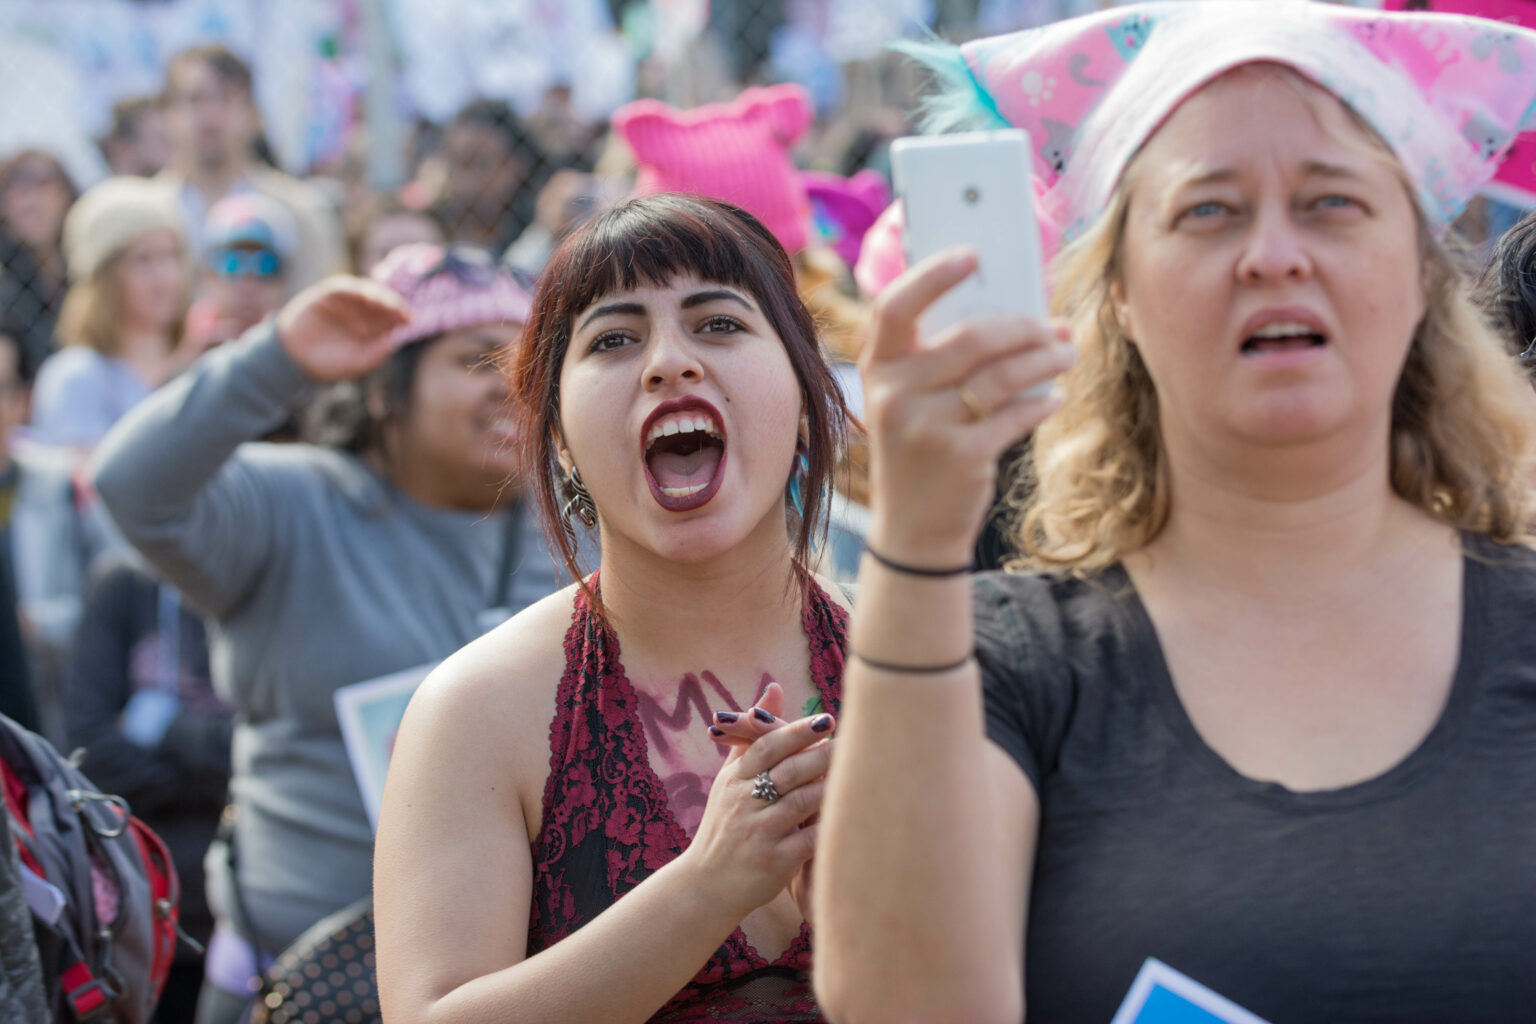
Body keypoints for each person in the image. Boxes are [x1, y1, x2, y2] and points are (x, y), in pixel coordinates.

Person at [813, 4, 1536, 1023]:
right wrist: (918, 541)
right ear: (1115, 296)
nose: (1274, 254)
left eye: (1331, 202)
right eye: (1210, 211)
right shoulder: (1002, 660)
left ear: (1421, 272)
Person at [374, 194, 852, 1023]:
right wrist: (708, 884)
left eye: (720, 324)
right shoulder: (478, 710)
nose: (670, 362)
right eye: (614, 340)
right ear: (556, 432)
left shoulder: (925, 671)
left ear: (806, 392)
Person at [87, 241, 562, 1024]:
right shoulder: (293, 506)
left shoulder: (574, 533)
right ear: (387, 390)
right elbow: (131, 487)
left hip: (507, 984)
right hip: (304, 980)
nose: (507, 387)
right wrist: (278, 359)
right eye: (475, 359)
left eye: (524, 364)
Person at [62, 556, 230, 1024]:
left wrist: (163, 725)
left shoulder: (264, 582)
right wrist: (221, 769)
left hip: (244, 909)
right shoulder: (124, 585)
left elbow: (277, 747)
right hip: (142, 903)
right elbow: (90, 754)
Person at [157, 45, 343, 292]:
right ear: (166, 114)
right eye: (195, 99)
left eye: (225, 98)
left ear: (254, 114)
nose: (210, 114)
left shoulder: (301, 211)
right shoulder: (143, 213)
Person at [30, 176, 190, 452]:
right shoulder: (77, 377)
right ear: (105, 277)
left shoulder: (201, 361)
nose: (165, 277)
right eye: (144, 260)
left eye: (171, 256)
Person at [183, 193, 296, 352]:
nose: (248, 283)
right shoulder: (178, 336)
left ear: (283, 280)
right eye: (232, 263)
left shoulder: (297, 346)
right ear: (209, 275)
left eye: (265, 264)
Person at [0, 149, 75, 372]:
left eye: (42, 182)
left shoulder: (85, 265)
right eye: (14, 185)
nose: (29, 196)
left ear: (64, 194)